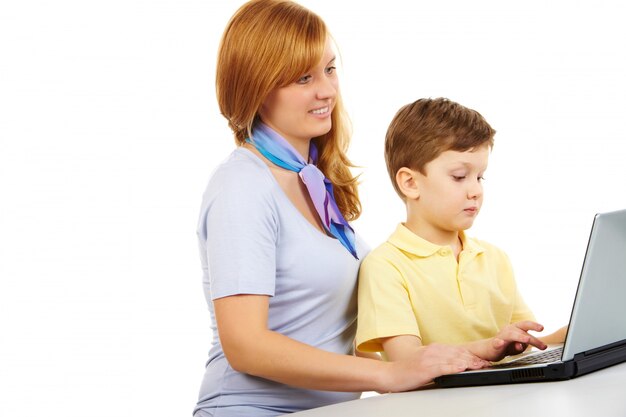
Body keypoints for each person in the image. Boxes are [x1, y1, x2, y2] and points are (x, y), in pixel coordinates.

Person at [194, 3, 489, 416]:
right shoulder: (242, 185)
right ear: (256, 88)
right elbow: (245, 345)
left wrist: (462, 359)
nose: (327, 91)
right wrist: (388, 377)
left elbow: (329, 339)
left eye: (330, 70)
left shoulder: (311, 181)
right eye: (303, 77)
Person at [355, 97, 567, 363]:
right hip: (431, 405)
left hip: (504, 400)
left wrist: (562, 336)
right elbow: (406, 359)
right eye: (459, 176)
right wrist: (488, 347)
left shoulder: (494, 258)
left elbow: (521, 346)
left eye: (480, 177)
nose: (476, 190)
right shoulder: (386, 266)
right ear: (410, 183)